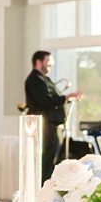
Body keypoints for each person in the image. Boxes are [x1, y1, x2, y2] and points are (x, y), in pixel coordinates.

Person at [22, 48, 75, 182]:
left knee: (52, 161)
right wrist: (65, 98)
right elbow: (44, 101)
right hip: (44, 127)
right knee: (46, 162)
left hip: (52, 126)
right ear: (39, 62)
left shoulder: (45, 79)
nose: (51, 64)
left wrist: (66, 99)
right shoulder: (34, 80)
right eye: (48, 61)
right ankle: (42, 191)